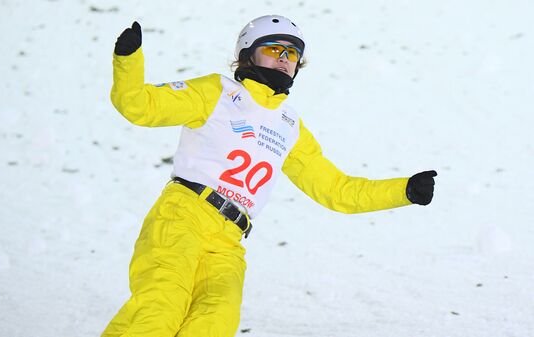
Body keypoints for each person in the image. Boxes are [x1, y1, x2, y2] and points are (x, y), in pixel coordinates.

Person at [102, 15, 437, 337]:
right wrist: (128, 60)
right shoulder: (215, 92)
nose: (284, 59)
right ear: (248, 54)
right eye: (274, 49)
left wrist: (404, 191)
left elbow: (336, 189)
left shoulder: (289, 126)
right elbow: (140, 106)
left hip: (228, 241)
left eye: (292, 54)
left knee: (216, 322)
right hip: (182, 218)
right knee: (160, 310)